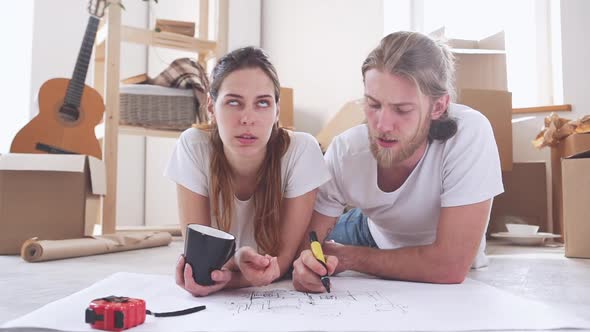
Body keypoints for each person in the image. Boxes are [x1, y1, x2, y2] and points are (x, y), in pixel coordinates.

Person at [292, 31, 504, 293]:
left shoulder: (469, 134)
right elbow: (308, 244)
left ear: (438, 108)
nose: (382, 125)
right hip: (370, 230)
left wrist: (349, 257)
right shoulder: (346, 149)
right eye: (373, 104)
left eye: (402, 110)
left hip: (406, 244)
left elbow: (449, 266)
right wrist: (307, 262)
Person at [165, 46, 331, 296]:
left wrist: (226, 277)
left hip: (339, 220)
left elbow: (283, 261)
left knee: (346, 237)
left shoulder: (302, 150)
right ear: (211, 106)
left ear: (277, 110)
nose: (247, 118)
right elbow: (198, 257)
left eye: (262, 103)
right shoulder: (193, 147)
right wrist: (235, 265)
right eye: (233, 102)